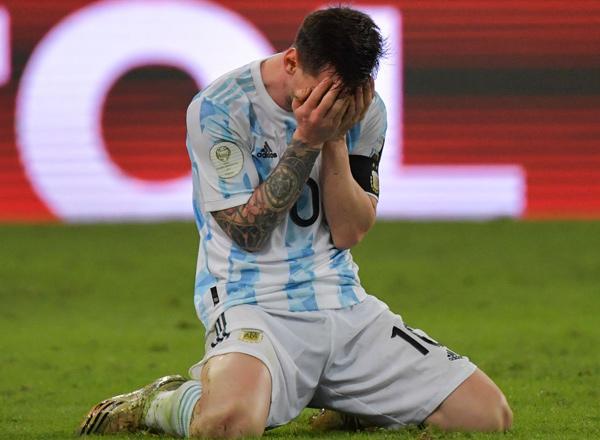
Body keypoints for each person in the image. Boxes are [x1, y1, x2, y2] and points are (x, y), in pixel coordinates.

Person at [79, 7, 512, 438]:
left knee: (488, 416)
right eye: (326, 93)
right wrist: (307, 139)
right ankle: (164, 399)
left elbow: (350, 232)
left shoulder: (364, 110)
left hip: (341, 302)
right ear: (291, 62)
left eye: (346, 95)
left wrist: (336, 137)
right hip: (251, 303)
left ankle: (356, 406)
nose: (335, 105)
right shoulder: (218, 108)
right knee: (227, 426)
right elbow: (247, 232)